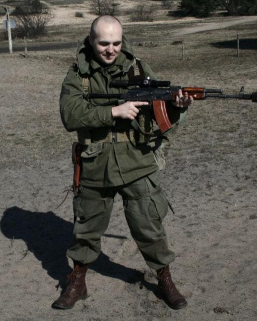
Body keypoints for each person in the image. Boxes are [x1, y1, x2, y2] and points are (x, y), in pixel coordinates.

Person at [54, 15, 193, 310]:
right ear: (91, 40)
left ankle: (164, 278)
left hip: (137, 161)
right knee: (86, 228)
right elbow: (70, 115)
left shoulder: (138, 67)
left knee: (149, 226)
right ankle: (77, 281)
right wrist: (113, 113)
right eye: (104, 43)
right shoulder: (78, 74)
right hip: (95, 163)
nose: (110, 49)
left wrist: (177, 108)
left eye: (116, 42)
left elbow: (160, 110)